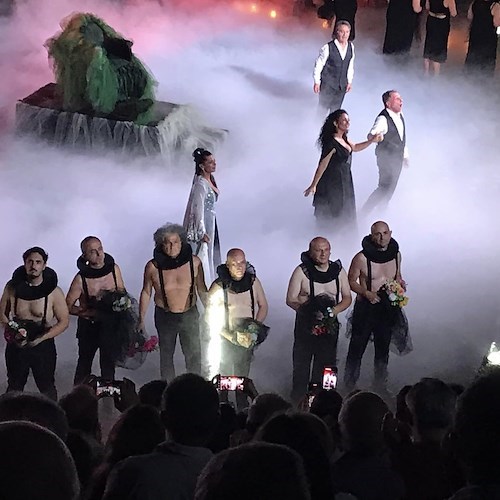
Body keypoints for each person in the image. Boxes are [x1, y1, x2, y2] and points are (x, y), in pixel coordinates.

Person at [102, 374, 219, 500]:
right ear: (217, 420)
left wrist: (134, 413)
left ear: (163, 418)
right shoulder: (230, 473)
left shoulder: (131, 473)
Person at [139, 223, 208, 382]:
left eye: (175, 242)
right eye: (167, 243)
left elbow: (202, 289)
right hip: (165, 316)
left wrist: (210, 312)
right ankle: (168, 390)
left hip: (189, 313)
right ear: (160, 244)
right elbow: (146, 292)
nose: (171, 246)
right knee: (166, 355)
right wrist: (141, 320)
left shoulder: (194, 262)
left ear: (182, 242)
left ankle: (195, 386)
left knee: (194, 354)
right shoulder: (153, 267)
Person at [286, 237, 351, 403]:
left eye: (326, 249)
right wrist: (309, 313)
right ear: (310, 251)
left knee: (328, 366)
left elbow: (347, 297)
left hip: (329, 326)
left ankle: (327, 400)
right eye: (318, 250)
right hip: (305, 327)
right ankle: (299, 401)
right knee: (301, 366)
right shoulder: (301, 272)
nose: (323, 254)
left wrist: (333, 311)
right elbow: (290, 299)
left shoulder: (338, 271)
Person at [344, 221, 407, 391]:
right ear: (372, 236)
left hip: (387, 307)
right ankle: (349, 385)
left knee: (383, 347)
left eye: (385, 233)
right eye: (378, 234)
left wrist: (400, 284)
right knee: (357, 347)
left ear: (390, 233)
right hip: (366, 307)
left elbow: (398, 275)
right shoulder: (361, 258)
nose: (382, 238)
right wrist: (366, 293)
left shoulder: (396, 254)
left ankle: (380, 384)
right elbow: (350, 281)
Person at [0, 247, 69, 400]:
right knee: (14, 387)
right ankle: (9, 420)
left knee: (47, 387)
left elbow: (64, 321)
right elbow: (2, 315)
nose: (33, 265)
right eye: (30, 262)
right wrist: (12, 331)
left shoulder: (54, 292)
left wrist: (42, 338)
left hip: (43, 342)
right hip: (17, 343)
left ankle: (52, 421)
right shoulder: (11, 288)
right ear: (24, 264)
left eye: (38, 262)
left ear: (44, 265)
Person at [206, 248, 268, 410]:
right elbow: (208, 316)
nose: (239, 267)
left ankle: (242, 406)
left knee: (242, 374)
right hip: (227, 336)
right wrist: (229, 336)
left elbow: (263, 306)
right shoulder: (219, 286)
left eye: (242, 262)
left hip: (248, 334)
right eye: (234, 264)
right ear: (228, 265)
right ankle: (224, 406)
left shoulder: (253, 282)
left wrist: (255, 327)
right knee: (225, 374)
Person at [304, 109, 380, 230]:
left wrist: (371, 141)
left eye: (348, 120)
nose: (347, 122)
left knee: (347, 209)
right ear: (336, 123)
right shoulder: (331, 142)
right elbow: (322, 164)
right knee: (337, 211)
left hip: (345, 180)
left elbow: (355, 147)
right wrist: (314, 185)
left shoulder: (344, 138)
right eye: (344, 120)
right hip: (333, 182)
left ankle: (346, 238)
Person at [66, 236, 126, 385]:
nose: (99, 254)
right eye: (93, 252)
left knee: (108, 365)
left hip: (110, 326)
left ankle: (108, 400)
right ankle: (77, 399)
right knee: (84, 363)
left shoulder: (114, 269)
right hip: (89, 327)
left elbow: (122, 292)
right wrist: (87, 313)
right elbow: (67, 306)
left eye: (100, 249)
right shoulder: (80, 279)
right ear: (84, 256)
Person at [362, 90, 408, 215]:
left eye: (400, 98)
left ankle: (382, 210)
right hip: (386, 158)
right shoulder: (383, 118)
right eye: (397, 99)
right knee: (384, 187)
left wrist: (405, 156)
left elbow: (401, 137)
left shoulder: (400, 115)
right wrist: (375, 136)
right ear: (388, 103)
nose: (401, 101)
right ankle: (365, 212)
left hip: (397, 158)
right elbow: (371, 134)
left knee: (391, 187)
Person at [183, 148, 222, 284]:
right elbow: (197, 208)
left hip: (211, 220)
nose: (214, 164)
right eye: (210, 162)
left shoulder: (210, 179)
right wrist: (201, 232)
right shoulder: (200, 184)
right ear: (202, 166)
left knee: (213, 252)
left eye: (214, 161)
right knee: (204, 253)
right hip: (204, 222)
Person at [313, 21, 355, 114]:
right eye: (342, 32)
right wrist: (317, 81)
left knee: (336, 112)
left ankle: (332, 128)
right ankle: (317, 127)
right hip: (328, 85)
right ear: (337, 32)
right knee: (322, 111)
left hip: (341, 86)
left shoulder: (351, 47)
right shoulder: (328, 47)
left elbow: (350, 65)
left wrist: (349, 81)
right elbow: (319, 64)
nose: (345, 35)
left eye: (347, 32)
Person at [464, 0, 500, 77]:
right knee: (486, 61)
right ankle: (483, 82)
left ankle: (469, 79)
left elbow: (469, 16)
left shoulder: (474, 2)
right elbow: (496, 23)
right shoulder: (495, 6)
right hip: (488, 38)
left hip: (475, 35)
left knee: (473, 57)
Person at [423, 0, 457, 75]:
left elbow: (427, 7)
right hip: (442, 24)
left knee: (428, 44)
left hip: (431, 21)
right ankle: (436, 75)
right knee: (439, 47)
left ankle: (426, 73)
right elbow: (454, 13)